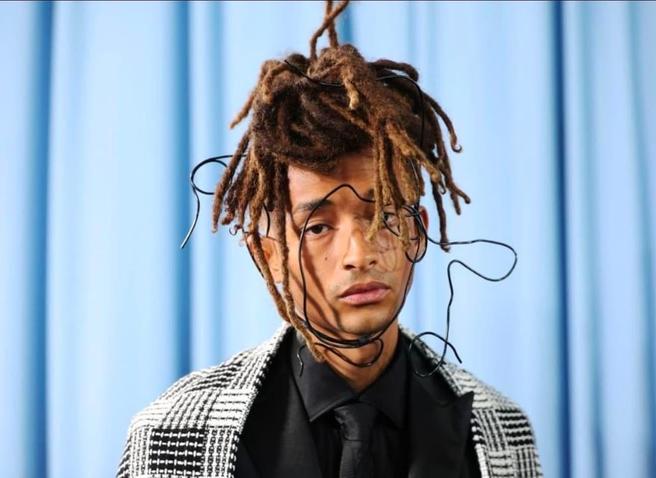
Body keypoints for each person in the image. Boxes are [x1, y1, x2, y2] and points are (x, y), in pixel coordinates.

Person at [116, 1, 542, 477]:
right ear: (267, 254)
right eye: (318, 227)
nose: (359, 254)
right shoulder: (172, 435)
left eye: (384, 216)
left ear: (418, 230)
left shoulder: (501, 430)